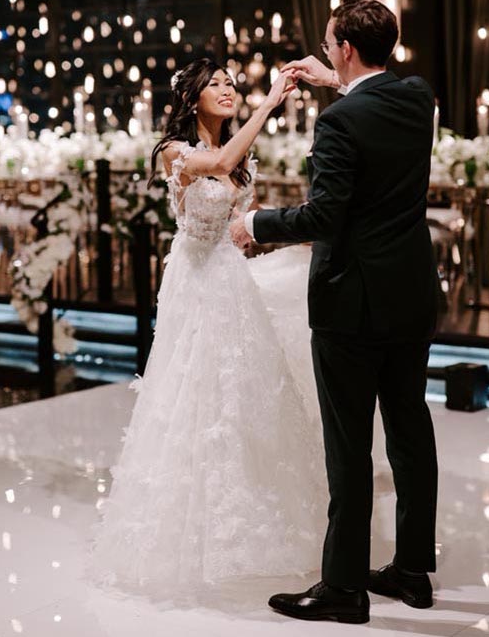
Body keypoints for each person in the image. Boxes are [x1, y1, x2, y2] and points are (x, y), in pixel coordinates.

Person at [231, 0, 440, 624]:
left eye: (329, 45)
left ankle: (344, 586)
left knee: (348, 448)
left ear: (346, 48)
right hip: (412, 295)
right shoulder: (418, 99)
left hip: (353, 303)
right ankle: (411, 570)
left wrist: (255, 223)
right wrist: (338, 82)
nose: (324, 53)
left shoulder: (340, 122)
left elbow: (324, 217)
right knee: (410, 434)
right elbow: (380, 97)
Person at [89, 58, 328, 596]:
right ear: (192, 97)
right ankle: (188, 526)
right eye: (214, 83)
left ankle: (255, 520)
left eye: (229, 82)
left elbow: (246, 217)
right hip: (197, 286)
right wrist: (270, 101)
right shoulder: (175, 151)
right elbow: (218, 160)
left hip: (234, 280)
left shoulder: (240, 159)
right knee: (194, 398)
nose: (227, 89)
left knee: (245, 398)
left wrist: (300, 235)